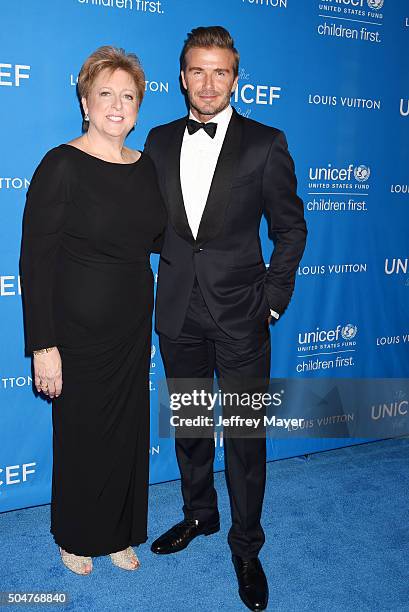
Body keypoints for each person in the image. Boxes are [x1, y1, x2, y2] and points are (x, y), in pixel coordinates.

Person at [144, 26, 307, 611]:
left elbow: (290, 229)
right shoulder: (159, 142)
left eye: (220, 72)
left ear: (236, 78)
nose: (208, 83)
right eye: (197, 71)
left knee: (243, 438)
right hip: (178, 314)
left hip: (242, 315)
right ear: (182, 76)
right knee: (189, 427)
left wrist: (273, 299)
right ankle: (199, 515)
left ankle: (246, 545)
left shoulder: (265, 143)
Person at [20, 46, 166, 575]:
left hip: (131, 329)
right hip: (75, 334)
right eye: (105, 93)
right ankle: (76, 535)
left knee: (126, 433)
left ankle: (117, 534)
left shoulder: (146, 168)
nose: (117, 104)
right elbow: (34, 262)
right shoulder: (60, 165)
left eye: (128, 96)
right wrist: (43, 344)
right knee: (81, 436)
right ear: (85, 102)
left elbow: (156, 237)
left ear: (138, 107)